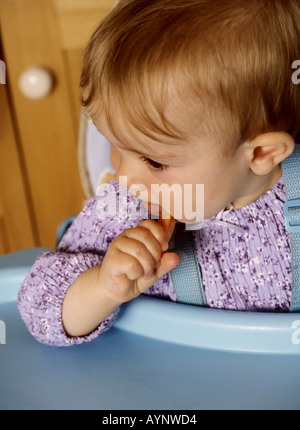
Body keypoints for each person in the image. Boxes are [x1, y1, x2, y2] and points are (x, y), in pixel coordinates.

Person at [17, 0, 300, 346]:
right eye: (115, 145)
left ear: (261, 153)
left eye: (154, 162)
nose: (124, 178)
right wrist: (104, 287)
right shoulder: (125, 212)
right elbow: (39, 307)